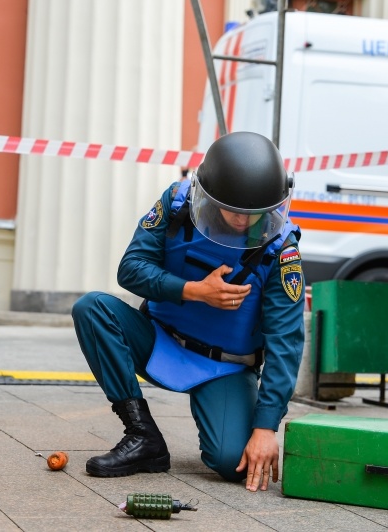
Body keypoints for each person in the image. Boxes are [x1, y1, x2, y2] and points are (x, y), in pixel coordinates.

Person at [71, 131, 305, 492]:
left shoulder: (281, 250)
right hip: (160, 341)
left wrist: (266, 428)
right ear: (207, 192)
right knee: (91, 308)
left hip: (225, 365)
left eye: (252, 214)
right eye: (231, 210)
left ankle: (228, 424)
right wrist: (194, 291)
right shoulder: (178, 204)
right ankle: (142, 436)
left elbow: (286, 343)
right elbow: (130, 268)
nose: (242, 222)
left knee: (233, 465)